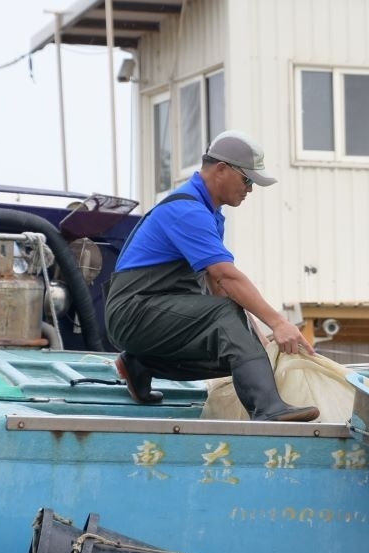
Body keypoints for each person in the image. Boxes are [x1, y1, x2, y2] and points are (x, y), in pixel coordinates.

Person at [105, 130, 320, 422]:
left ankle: (140, 364)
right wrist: (279, 322)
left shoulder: (210, 214)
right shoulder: (187, 211)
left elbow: (219, 289)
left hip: (154, 313)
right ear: (221, 169)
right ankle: (268, 409)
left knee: (238, 351)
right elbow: (227, 277)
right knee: (226, 319)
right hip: (133, 311)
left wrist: (259, 339)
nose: (250, 189)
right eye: (247, 180)